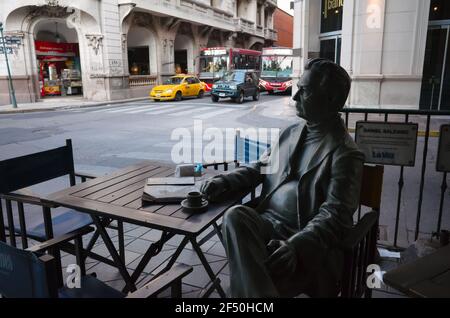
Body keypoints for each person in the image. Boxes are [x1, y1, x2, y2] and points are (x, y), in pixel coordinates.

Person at [200, 58, 365, 298]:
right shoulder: (292, 132)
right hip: (267, 224)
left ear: (330, 99)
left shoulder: (345, 153)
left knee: (248, 269)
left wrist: (296, 246)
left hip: (302, 237)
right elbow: (260, 168)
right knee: (235, 216)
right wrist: (225, 181)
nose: (295, 97)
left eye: (305, 91)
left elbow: (336, 215)